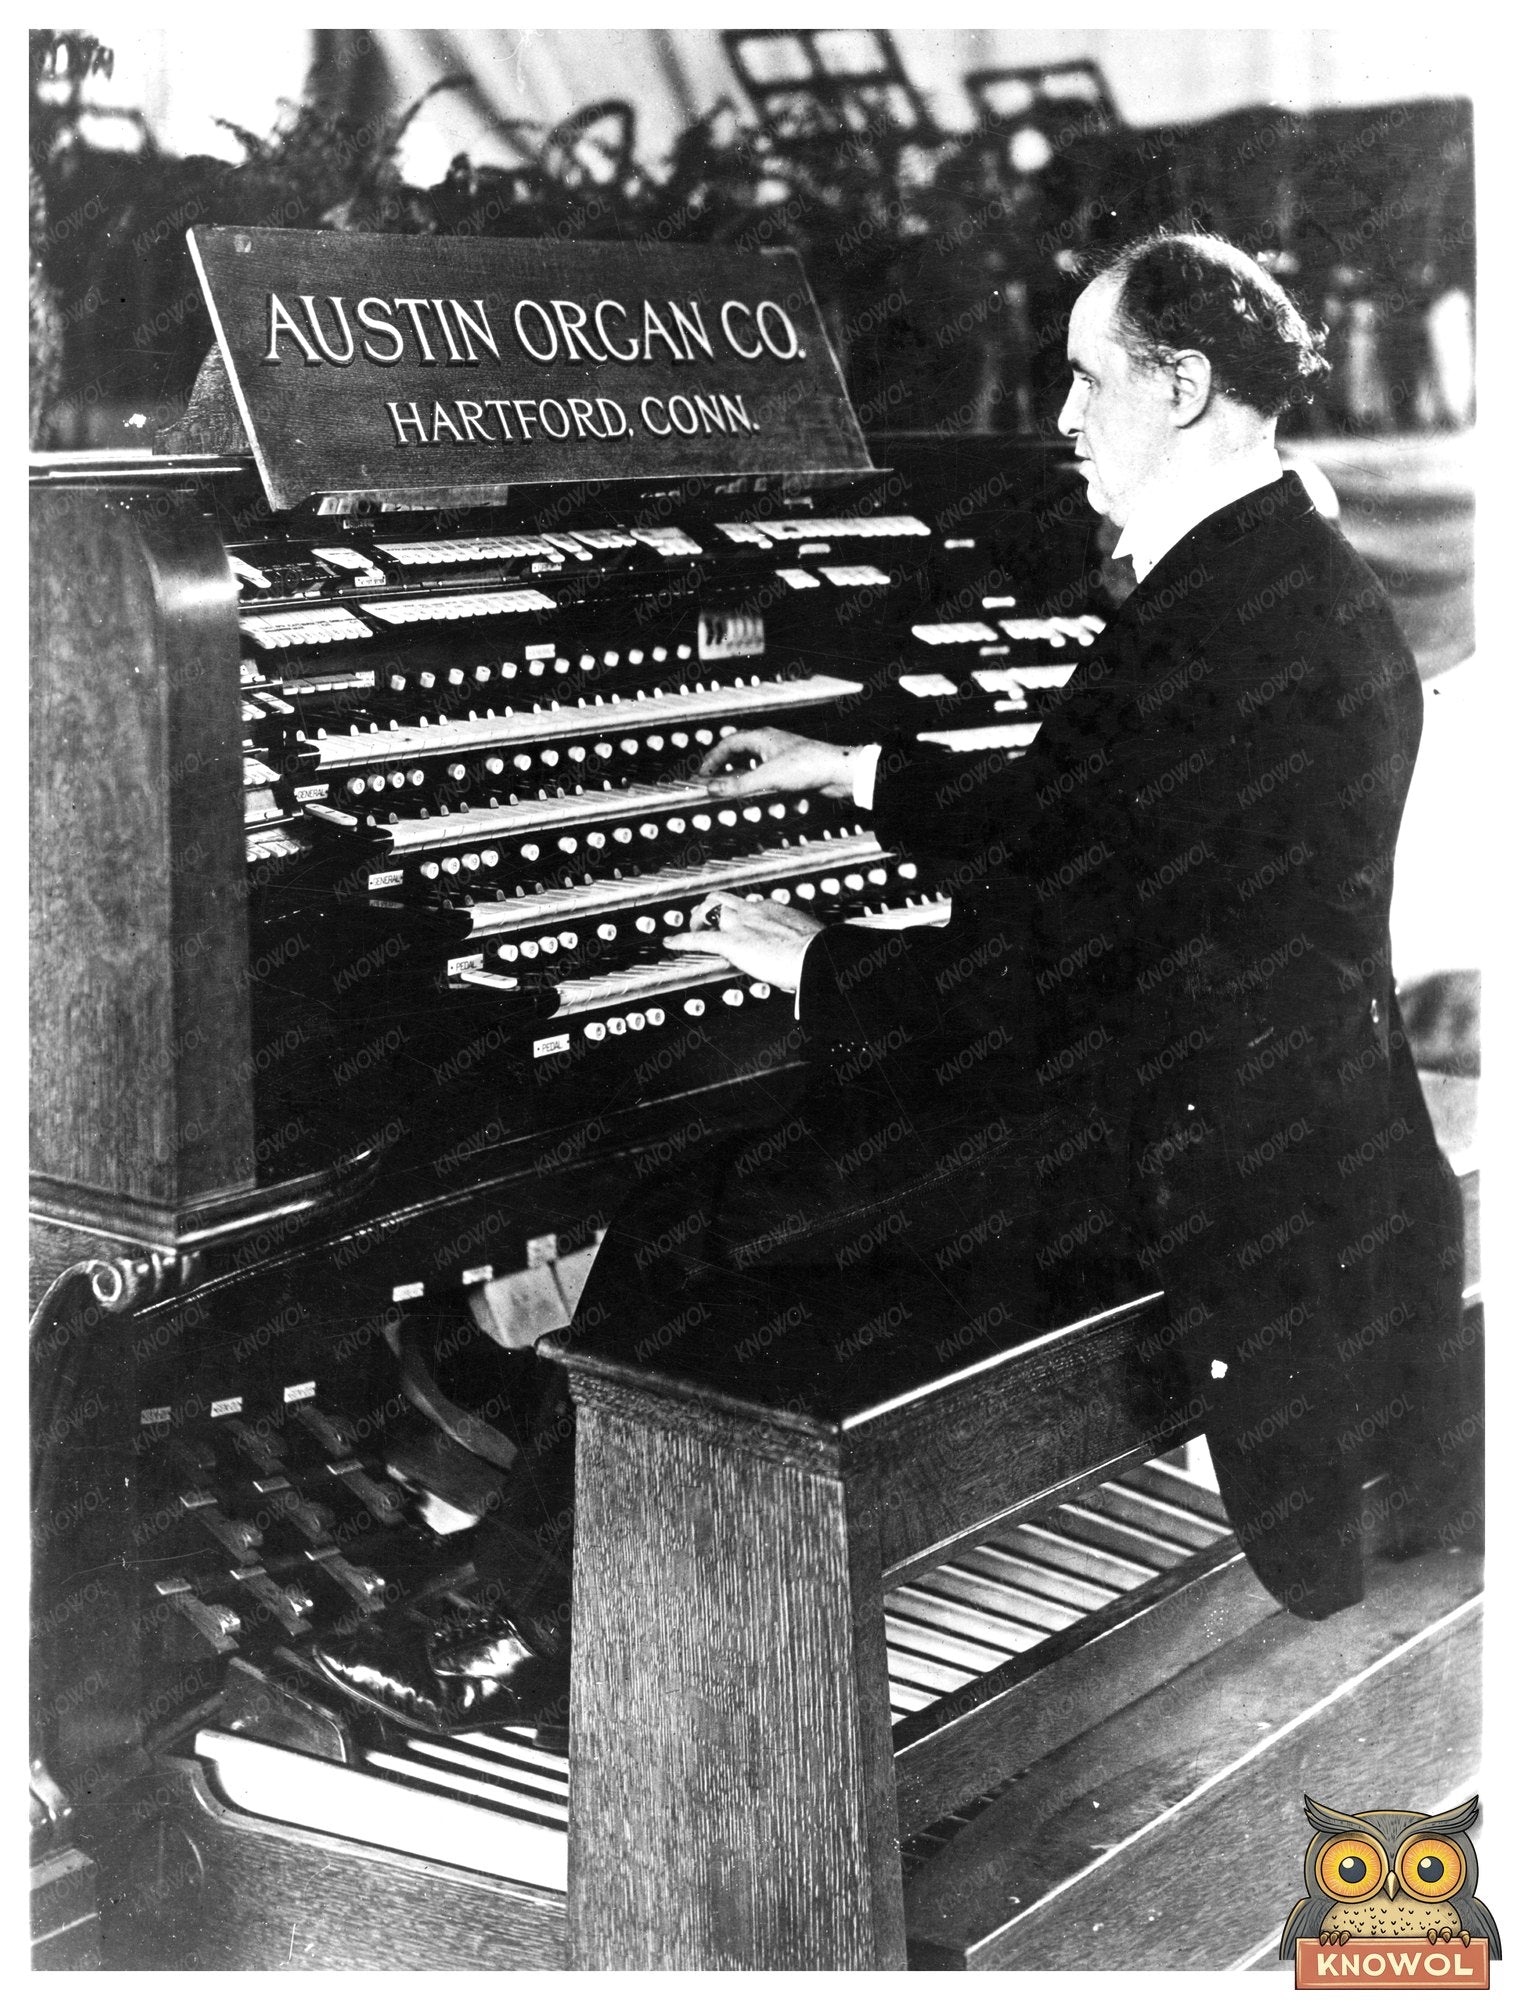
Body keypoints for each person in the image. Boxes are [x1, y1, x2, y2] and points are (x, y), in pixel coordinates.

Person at [314, 232, 1466, 1728]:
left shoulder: (1223, 622)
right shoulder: (1271, 579)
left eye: (1084, 379)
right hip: (1240, 1123)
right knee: (752, 1178)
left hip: (1172, 1164)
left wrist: (825, 964)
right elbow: (1100, 831)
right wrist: (855, 767)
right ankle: (541, 1480)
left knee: (706, 1212)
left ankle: (524, 1622)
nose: (1059, 420)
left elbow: (1082, 973)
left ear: (1178, 386)